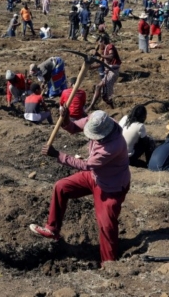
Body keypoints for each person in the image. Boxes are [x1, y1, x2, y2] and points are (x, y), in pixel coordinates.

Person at [30, 109, 130, 265]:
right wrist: (65, 119)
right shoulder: (97, 119)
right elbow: (73, 128)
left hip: (111, 187)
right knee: (61, 187)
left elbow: (86, 165)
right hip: (95, 176)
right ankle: (52, 228)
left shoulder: (112, 147)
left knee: (106, 226)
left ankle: (109, 263)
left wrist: (58, 155)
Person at [88, 34, 121, 110]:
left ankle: (111, 108)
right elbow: (101, 63)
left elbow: (111, 56)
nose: (99, 45)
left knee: (105, 94)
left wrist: (99, 55)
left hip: (113, 72)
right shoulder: (105, 50)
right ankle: (92, 106)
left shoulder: (110, 46)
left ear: (103, 41)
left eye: (99, 42)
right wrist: (90, 68)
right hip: (109, 73)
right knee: (99, 88)